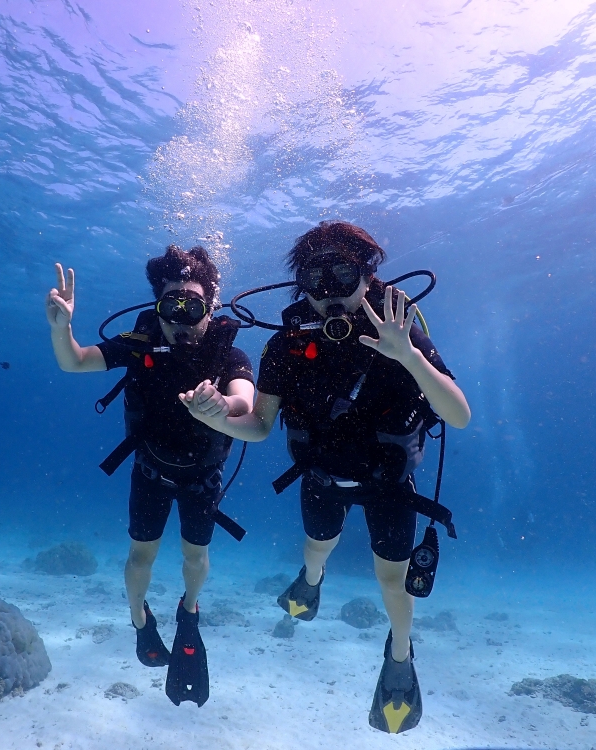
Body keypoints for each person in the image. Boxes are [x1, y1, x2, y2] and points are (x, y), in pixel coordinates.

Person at [180, 221, 470, 732]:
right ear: (301, 286)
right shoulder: (287, 347)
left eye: (344, 274)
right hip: (321, 478)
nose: (330, 291)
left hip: (389, 485)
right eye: (317, 278)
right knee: (317, 549)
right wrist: (218, 416)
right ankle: (311, 583)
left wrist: (410, 357)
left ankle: (400, 656)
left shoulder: (400, 333)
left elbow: (460, 414)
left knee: (391, 580)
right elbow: (260, 425)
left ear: (369, 278)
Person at [46, 245, 255, 707]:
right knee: (141, 556)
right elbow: (74, 360)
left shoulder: (227, 354)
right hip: (150, 470)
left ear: (211, 307)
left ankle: (189, 610)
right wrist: (62, 330)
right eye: (171, 305)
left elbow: (246, 399)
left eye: (193, 306)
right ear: (156, 307)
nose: (181, 318)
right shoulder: (139, 344)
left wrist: (226, 407)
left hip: (203, 476)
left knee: (194, 558)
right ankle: (141, 619)